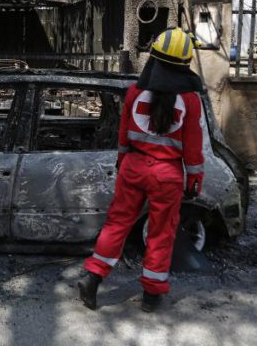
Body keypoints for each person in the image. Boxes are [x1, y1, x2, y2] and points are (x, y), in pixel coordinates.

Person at [78, 27, 206, 313]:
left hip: (133, 167)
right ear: (184, 65)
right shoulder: (190, 100)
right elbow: (193, 146)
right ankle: (151, 294)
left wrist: (123, 164)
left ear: (154, 59)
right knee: (161, 233)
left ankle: (93, 277)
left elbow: (123, 137)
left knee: (117, 223)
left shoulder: (135, 92)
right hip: (167, 175)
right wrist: (195, 177)